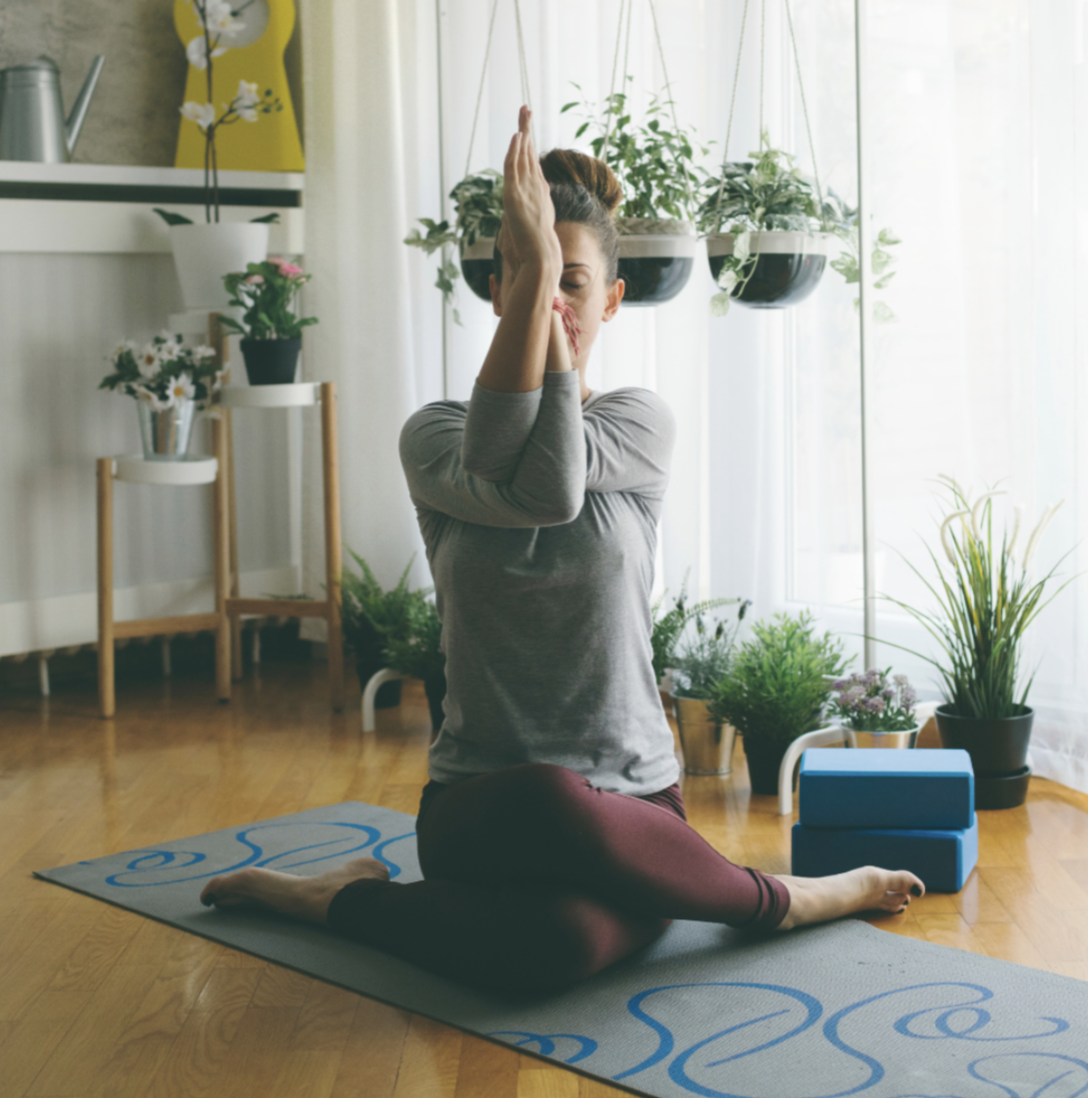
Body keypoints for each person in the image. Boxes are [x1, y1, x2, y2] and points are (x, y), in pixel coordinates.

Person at [200, 106, 925, 992]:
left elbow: (553, 473)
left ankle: (334, 900)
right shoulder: (434, 437)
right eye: (524, 277)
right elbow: (540, 485)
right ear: (496, 287)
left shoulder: (638, 423)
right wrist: (540, 263)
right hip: (481, 807)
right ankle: (789, 899)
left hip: (633, 809)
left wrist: (536, 272)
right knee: (544, 794)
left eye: (571, 283)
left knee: (550, 952)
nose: (549, 301)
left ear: (612, 300)